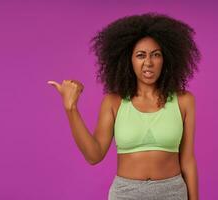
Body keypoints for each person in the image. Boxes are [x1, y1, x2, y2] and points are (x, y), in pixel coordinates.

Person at [47, 12, 200, 200]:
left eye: (156, 55)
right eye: (140, 55)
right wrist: (71, 109)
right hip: (126, 194)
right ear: (129, 60)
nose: (148, 63)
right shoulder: (114, 102)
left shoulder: (184, 100)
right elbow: (94, 156)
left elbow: (188, 161)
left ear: (166, 59)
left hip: (172, 193)